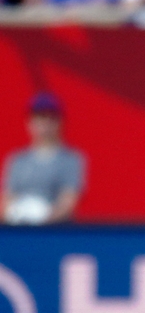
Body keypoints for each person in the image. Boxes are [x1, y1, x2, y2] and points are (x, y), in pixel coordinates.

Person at [2, 93, 86, 225]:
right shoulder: (17, 161)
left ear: (60, 122)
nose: (45, 123)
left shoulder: (71, 160)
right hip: (19, 234)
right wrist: (16, 217)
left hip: (55, 234)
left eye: (51, 117)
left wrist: (41, 222)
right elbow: (6, 199)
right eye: (40, 117)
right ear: (29, 122)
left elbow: (68, 202)